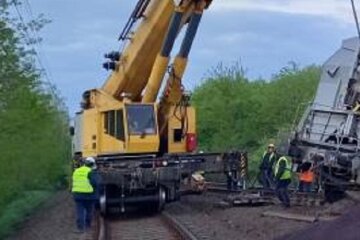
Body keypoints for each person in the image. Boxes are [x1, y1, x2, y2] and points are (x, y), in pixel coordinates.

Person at [72, 157, 99, 233]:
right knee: (89, 211)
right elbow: (95, 183)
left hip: (77, 195)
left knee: (80, 211)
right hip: (88, 195)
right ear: (92, 164)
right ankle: (88, 226)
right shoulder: (91, 172)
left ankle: (80, 228)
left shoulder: (76, 171)